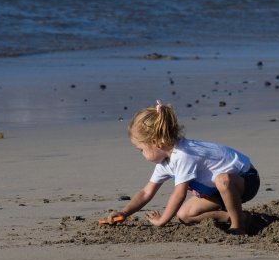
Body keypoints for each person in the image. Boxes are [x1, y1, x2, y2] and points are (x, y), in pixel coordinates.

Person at [103, 100, 259, 234]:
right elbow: (145, 193)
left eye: (141, 150)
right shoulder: (165, 162)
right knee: (184, 215)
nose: (141, 154)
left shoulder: (184, 154)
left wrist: (162, 220)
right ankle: (235, 216)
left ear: (156, 142)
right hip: (216, 191)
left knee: (222, 179)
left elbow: (179, 194)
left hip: (245, 181)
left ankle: (238, 226)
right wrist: (124, 212)